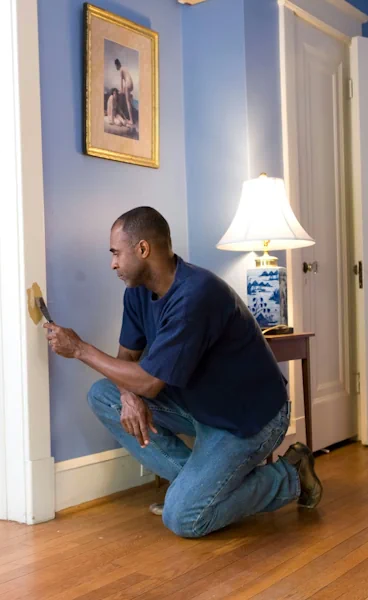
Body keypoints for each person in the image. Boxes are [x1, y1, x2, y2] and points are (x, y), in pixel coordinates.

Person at [44, 207, 322, 538]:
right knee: (104, 395)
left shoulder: (196, 295)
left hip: (248, 420)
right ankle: (201, 489)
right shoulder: (137, 293)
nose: (113, 264)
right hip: (197, 407)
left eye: (116, 253)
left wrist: (79, 349)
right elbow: (127, 359)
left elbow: (148, 382)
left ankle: (290, 473)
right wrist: (127, 394)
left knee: (184, 519)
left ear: (143, 249)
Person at [115, 59, 134, 125]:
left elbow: (121, 82)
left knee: (127, 101)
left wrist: (121, 90)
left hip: (127, 84)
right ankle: (131, 119)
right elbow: (127, 78)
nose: (116, 68)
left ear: (117, 65)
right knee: (128, 99)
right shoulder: (124, 68)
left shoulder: (121, 69)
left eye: (116, 66)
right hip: (131, 84)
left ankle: (131, 120)